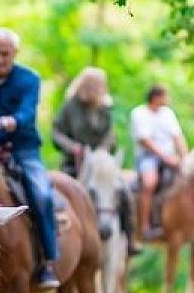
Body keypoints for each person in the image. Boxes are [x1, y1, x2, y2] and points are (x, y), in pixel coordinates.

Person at [0, 29, 60, 290]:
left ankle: (48, 261)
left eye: (4, 54)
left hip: (23, 149)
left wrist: (4, 122)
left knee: (41, 194)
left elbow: (27, 114)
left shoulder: (29, 79)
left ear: (14, 54)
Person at [52, 66, 139, 254]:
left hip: (103, 165)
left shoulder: (105, 108)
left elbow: (111, 135)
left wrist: (104, 149)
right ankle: (57, 242)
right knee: (58, 194)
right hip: (74, 163)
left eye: (99, 86)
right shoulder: (70, 106)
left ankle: (130, 239)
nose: (96, 89)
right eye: (92, 85)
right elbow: (56, 133)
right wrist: (72, 147)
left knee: (124, 192)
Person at [131, 84, 186, 241]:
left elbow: (177, 136)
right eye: (165, 96)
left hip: (170, 155)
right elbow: (144, 140)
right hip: (148, 156)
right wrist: (166, 157)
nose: (167, 100)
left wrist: (185, 156)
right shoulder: (139, 113)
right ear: (156, 97)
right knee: (149, 183)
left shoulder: (167, 114)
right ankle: (144, 226)